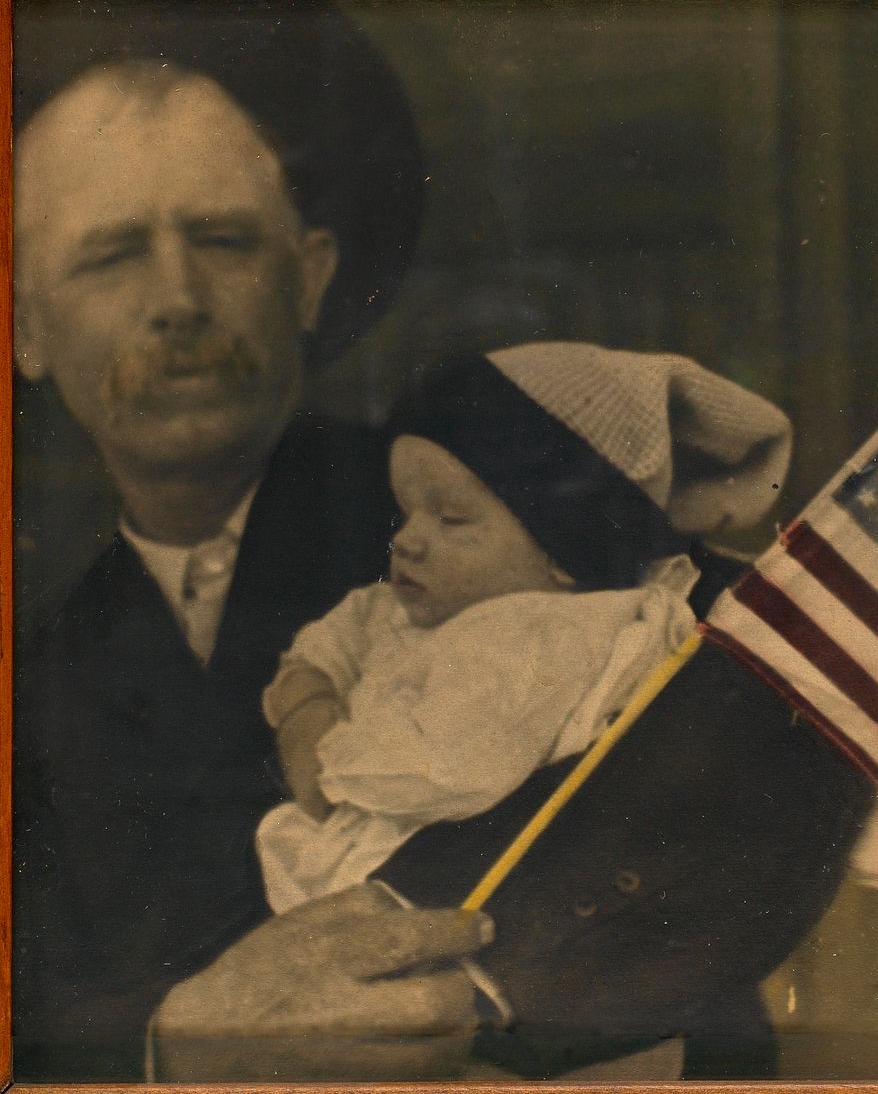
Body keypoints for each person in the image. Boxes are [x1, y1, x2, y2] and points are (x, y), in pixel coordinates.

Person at [13, 0, 875, 1085]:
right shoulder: (42, 644)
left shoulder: (486, 531)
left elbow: (696, 950)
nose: (177, 298)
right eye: (111, 254)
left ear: (310, 276)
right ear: (26, 325)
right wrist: (169, 1048)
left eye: (223, 240)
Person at [255, 343, 773, 912]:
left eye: (450, 519)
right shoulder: (412, 602)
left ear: (562, 553)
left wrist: (314, 733)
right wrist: (310, 683)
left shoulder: (548, 634)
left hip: (434, 890)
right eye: (406, 512)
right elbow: (334, 640)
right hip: (346, 863)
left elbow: (439, 772)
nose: (406, 540)